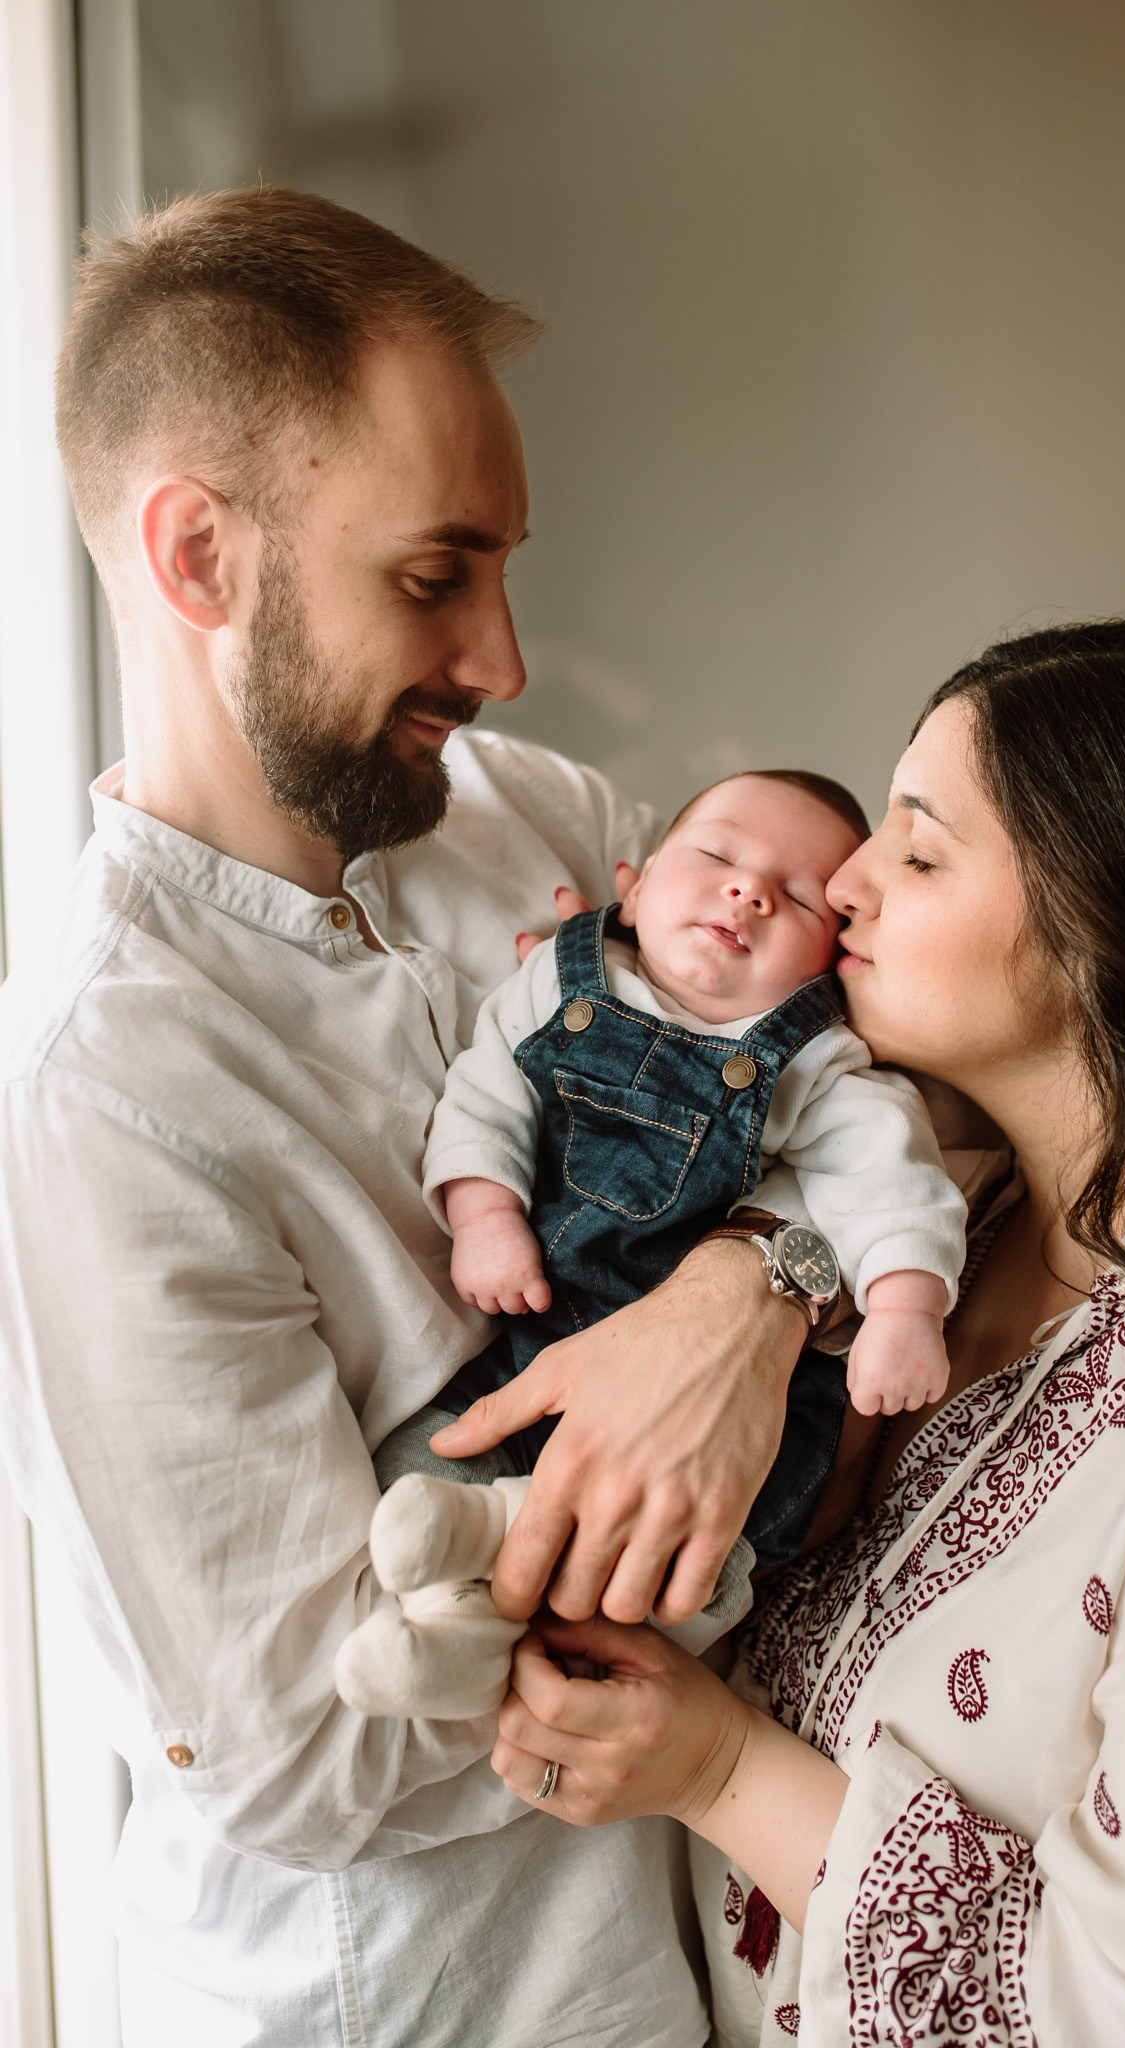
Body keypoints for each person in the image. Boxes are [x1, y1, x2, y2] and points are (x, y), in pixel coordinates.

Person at [0, 186, 837, 2047]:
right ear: (198, 554)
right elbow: (300, 1744)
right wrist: (676, 1511)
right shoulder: (104, 1097)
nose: (505, 657)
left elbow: (873, 1070)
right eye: (434, 573)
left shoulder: (523, 812)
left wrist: (746, 1302)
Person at [485, 622, 1125, 2047]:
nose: (839, 885)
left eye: (917, 847)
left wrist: (714, 1772)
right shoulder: (944, 1218)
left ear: (1109, 941)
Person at [335, 767, 969, 1720]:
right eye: (717, 855)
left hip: (712, 1431)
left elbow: (889, 1178)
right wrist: (484, 1215)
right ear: (631, 888)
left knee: (675, 1585)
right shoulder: (556, 979)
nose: (749, 890)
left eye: (797, 897)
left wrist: (905, 1306)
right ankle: (453, 1645)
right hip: (529, 1347)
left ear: (829, 961)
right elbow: (485, 1094)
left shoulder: (812, 1059)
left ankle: (492, 1569)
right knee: (422, 1458)